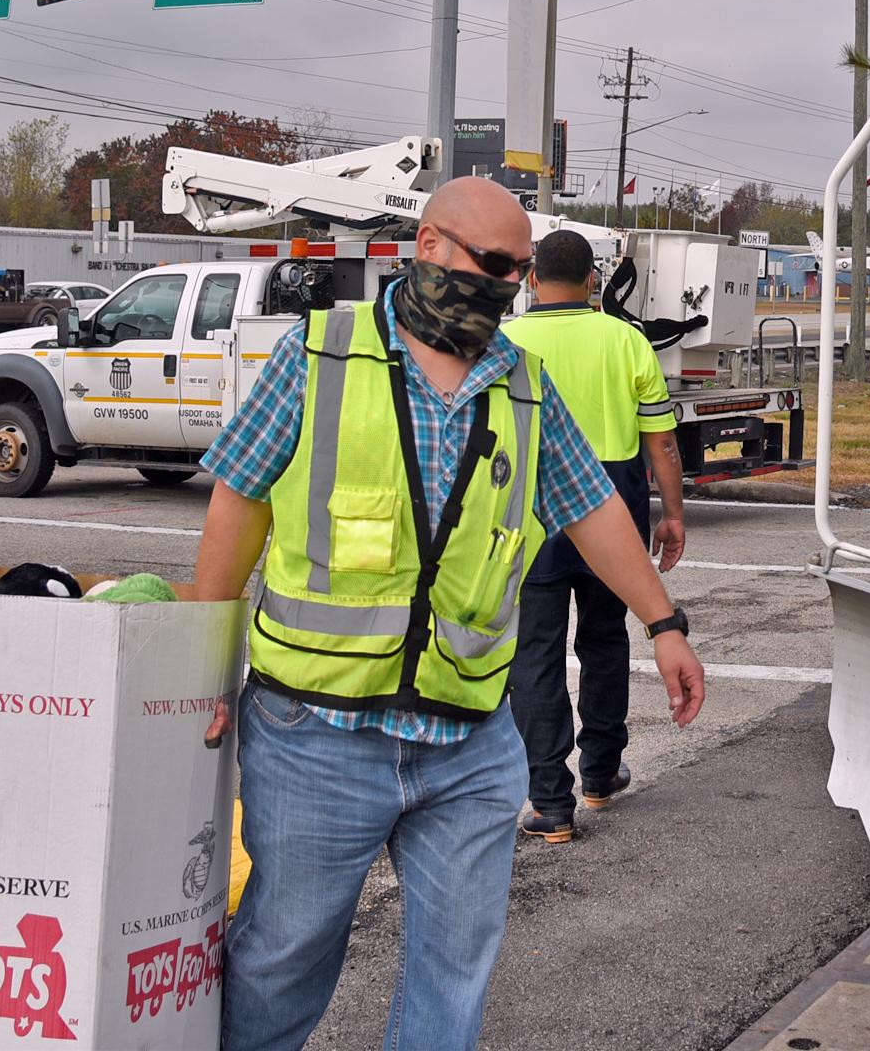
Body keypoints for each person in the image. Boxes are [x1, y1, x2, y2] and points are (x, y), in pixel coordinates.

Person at [190, 176, 707, 1051]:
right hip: (318, 734)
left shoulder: (525, 383)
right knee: (283, 958)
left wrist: (663, 626)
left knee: (455, 966)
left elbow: (592, 509)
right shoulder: (319, 351)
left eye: (518, 271)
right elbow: (239, 499)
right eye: (493, 265)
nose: (506, 286)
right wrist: (198, 664)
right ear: (428, 248)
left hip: (469, 742)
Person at [500, 227, 687, 842]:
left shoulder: (505, 341)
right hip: (613, 503)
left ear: (531, 279)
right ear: (592, 282)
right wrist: (673, 513)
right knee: (606, 640)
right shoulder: (625, 339)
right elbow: (660, 439)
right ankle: (601, 775)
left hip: (529, 509)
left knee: (535, 653)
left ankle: (549, 801)